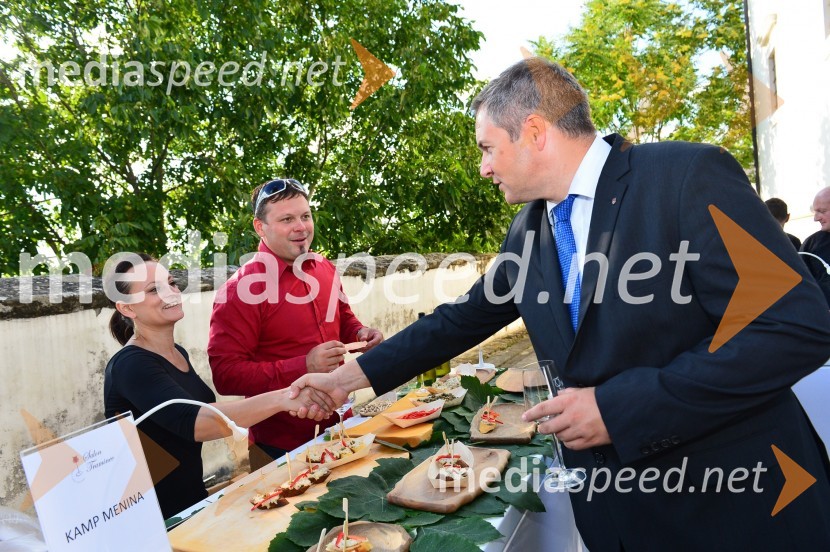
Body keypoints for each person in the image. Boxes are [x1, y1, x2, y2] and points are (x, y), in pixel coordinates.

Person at [291, 58, 830, 550]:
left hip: (736, 508)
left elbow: (795, 326)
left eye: (486, 147)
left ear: (533, 131)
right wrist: (347, 379)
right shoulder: (527, 232)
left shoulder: (687, 177)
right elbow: (461, 319)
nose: (482, 167)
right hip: (617, 517)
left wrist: (620, 408)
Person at [104, 253, 331, 518]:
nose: (170, 292)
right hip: (150, 519)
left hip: (189, 504)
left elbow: (206, 415)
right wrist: (284, 399)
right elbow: (197, 423)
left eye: (171, 282)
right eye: (154, 289)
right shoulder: (131, 365)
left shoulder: (176, 353)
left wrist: (287, 399)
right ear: (127, 309)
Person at [208, 178, 383, 470]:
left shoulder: (324, 266)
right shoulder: (239, 289)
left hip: (343, 425)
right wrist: (305, 365)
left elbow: (343, 318)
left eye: (305, 216)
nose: (301, 226)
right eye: (287, 219)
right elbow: (226, 376)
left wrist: (361, 333)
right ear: (260, 227)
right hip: (279, 447)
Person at [800, 187, 830, 307]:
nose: (816, 218)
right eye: (815, 212)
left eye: (822, 211)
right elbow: (801, 283)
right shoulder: (811, 244)